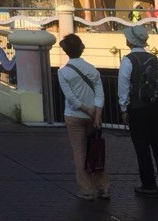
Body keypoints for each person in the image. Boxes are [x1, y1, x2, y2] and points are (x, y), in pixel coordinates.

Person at [119, 24, 158, 197]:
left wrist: (123, 107)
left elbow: (123, 86)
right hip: (156, 107)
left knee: (142, 147)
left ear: (130, 41)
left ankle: (148, 184)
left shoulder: (128, 60)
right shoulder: (155, 59)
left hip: (137, 108)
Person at [57, 33, 109, 200]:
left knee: (79, 153)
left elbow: (71, 98)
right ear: (81, 49)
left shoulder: (63, 72)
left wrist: (86, 110)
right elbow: (100, 93)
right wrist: (97, 113)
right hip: (94, 116)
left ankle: (86, 190)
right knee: (96, 150)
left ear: (66, 51)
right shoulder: (92, 69)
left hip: (74, 116)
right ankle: (103, 188)